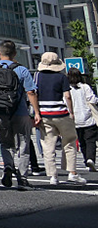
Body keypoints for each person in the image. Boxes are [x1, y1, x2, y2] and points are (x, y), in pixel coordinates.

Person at [0, 40, 39, 189]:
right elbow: (30, 92)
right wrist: (36, 112)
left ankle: (8, 167)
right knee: (23, 144)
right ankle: (23, 178)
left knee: (5, 143)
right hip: (20, 112)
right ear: (15, 53)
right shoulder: (22, 70)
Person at [35, 52, 86, 185]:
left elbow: (33, 93)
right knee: (69, 142)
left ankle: (53, 176)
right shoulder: (61, 77)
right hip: (61, 113)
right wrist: (71, 112)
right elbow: (67, 96)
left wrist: (36, 112)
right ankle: (72, 172)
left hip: (44, 114)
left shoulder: (37, 76)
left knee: (48, 145)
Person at [68, 68, 98, 171]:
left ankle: (86, 160)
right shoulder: (85, 87)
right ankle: (91, 158)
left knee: (82, 141)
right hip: (88, 118)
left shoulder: (67, 89)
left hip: (75, 120)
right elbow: (93, 99)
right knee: (90, 141)